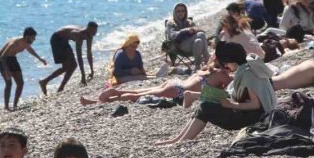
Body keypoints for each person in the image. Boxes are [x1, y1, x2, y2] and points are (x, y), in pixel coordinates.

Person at [155, 42, 276, 146]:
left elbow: (255, 105)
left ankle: (181, 140)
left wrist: (230, 105)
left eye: (225, 64)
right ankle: (177, 139)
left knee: (206, 107)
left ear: (230, 61)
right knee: (208, 103)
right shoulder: (248, 67)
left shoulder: (248, 74)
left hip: (257, 118)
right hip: (254, 114)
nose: (226, 67)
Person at [80, 66, 232, 105]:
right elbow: (227, 92)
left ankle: (116, 91)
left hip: (176, 82)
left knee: (141, 91)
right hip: (178, 90)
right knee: (137, 97)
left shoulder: (208, 71)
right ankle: (100, 101)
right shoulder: (224, 76)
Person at [0, 27, 47, 110]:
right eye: (33, 37)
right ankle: (6, 107)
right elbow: (2, 57)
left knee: (20, 83)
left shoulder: (26, 42)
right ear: (27, 36)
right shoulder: (14, 43)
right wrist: (7, 70)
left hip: (12, 58)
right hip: (2, 60)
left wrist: (40, 59)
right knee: (9, 83)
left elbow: (30, 50)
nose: (34, 39)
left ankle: (15, 105)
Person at [39, 22, 98, 94]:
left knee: (72, 66)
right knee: (68, 66)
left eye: (96, 31)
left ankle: (58, 87)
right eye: (94, 31)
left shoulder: (89, 35)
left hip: (64, 41)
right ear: (89, 29)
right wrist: (83, 76)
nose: (95, 33)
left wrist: (92, 71)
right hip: (57, 39)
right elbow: (79, 56)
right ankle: (45, 82)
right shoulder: (78, 35)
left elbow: (89, 53)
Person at [165, 3, 210, 72]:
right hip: (179, 46)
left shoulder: (189, 22)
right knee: (201, 35)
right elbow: (172, 36)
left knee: (198, 41)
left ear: (185, 12)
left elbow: (196, 32)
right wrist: (185, 31)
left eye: (183, 11)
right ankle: (208, 61)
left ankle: (197, 67)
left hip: (192, 46)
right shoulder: (171, 23)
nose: (181, 13)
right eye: (178, 11)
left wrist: (194, 30)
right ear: (175, 12)